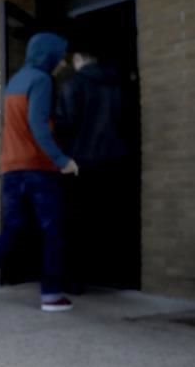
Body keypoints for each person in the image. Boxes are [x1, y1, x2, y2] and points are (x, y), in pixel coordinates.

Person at [0, 33, 78, 312]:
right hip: (37, 168)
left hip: (11, 169)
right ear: (48, 55)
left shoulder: (14, 82)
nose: (62, 63)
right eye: (59, 57)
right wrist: (62, 160)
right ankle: (51, 295)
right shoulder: (41, 80)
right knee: (53, 230)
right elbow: (38, 126)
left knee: (14, 228)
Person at [55, 47, 135, 291]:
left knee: (76, 222)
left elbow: (64, 124)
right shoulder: (118, 83)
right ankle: (113, 274)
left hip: (81, 161)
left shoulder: (73, 84)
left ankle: (76, 280)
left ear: (78, 58)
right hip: (115, 159)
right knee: (109, 219)